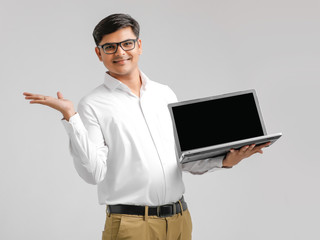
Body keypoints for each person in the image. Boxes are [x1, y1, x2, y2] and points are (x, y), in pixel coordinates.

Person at [23, 13, 270, 240]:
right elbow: (93, 174)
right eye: (110, 47)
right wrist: (70, 116)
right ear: (99, 53)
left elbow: (181, 158)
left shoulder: (165, 94)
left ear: (139, 46)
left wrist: (226, 161)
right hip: (131, 226)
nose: (120, 52)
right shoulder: (92, 104)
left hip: (180, 221)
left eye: (127, 43)